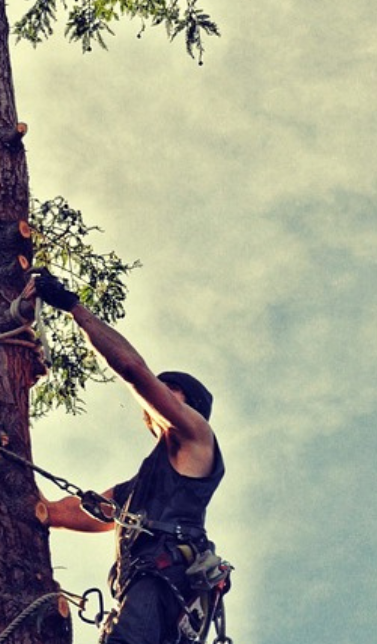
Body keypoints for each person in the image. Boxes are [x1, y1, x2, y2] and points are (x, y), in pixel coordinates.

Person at [31, 269, 229, 644]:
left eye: (172, 391)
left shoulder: (198, 437)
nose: (160, 395)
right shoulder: (138, 490)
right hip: (143, 589)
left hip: (163, 580)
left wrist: (74, 307)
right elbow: (71, 512)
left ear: (193, 407)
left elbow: (133, 371)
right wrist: (32, 502)